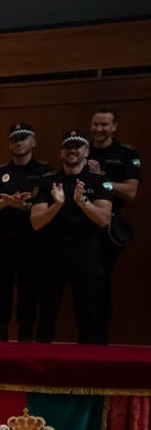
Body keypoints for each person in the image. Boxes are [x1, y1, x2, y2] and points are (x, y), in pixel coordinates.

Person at [30, 131, 113, 344]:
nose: (72, 150)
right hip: (52, 251)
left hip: (86, 251)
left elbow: (103, 220)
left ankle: (88, 359)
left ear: (86, 151)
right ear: (61, 152)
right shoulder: (48, 181)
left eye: (78, 146)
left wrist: (82, 202)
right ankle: (40, 358)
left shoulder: (98, 180)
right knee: (47, 310)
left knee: (88, 310)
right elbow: (36, 222)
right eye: (68, 146)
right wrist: (57, 205)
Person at [0, 123, 54, 342]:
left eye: (23, 138)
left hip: (32, 242)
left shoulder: (45, 172)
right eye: (15, 139)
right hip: (3, 243)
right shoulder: (0, 173)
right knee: (1, 292)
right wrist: (7, 202)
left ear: (33, 142)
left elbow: (51, 206)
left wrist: (22, 206)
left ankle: (25, 338)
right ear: (9, 144)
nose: (19, 143)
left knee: (29, 292)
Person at [87, 105, 141, 343]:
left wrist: (102, 178)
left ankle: (100, 341)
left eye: (104, 125)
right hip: (80, 225)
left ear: (114, 127)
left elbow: (130, 192)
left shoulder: (126, 153)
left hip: (107, 228)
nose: (99, 129)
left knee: (101, 283)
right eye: (95, 124)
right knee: (82, 285)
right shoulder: (81, 149)